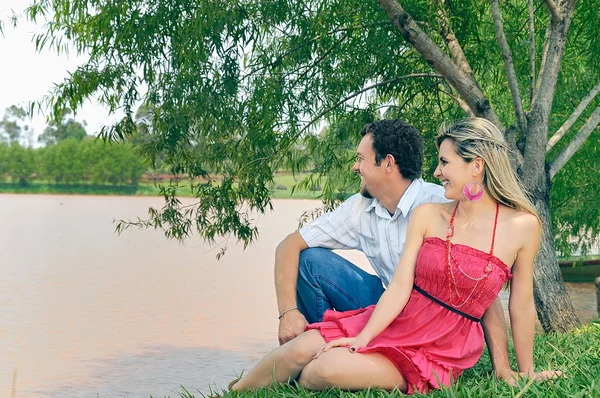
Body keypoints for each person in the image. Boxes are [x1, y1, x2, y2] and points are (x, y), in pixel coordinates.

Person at [229, 117, 559, 394]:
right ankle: (236, 391)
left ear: (477, 166)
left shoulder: (523, 226)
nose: (437, 171)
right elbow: (401, 286)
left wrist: (518, 370)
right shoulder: (429, 214)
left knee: (322, 369)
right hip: (399, 316)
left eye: (444, 162)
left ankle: (310, 375)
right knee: (301, 348)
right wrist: (361, 338)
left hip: (443, 344)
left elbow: (520, 303)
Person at [274, 119, 514, 381]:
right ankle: (327, 349)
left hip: (431, 324)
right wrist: (288, 312)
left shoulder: (443, 203)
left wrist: (502, 367)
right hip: (385, 305)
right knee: (310, 261)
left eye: (361, 159)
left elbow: (484, 290)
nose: (355, 167)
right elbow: (288, 245)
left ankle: (339, 364)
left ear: (387, 164)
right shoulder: (359, 208)